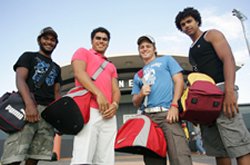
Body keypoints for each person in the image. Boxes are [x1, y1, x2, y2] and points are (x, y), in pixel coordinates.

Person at [175, 7, 250, 165]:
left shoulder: (211, 34)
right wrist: (194, 109)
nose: (187, 25)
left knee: (238, 144)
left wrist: (229, 90)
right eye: (183, 24)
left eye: (189, 21)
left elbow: (228, 59)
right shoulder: (191, 50)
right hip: (205, 98)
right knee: (217, 148)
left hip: (222, 90)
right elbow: (198, 80)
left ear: (197, 21)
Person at [1, 27, 62, 165]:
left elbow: (57, 92)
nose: (49, 42)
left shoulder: (56, 68)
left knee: (35, 156)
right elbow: (20, 80)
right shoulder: (28, 56)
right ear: (39, 40)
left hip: (47, 114)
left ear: (56, 44)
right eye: (46, 38)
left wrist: (58, 119)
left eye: (53, 40)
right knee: (14, 156)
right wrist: (29, 104)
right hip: (28, 108)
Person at [132, 35, 193, 165]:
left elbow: (179, 81)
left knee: (180, 157)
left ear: (155, 49)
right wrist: (141, 94)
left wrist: (174, 105)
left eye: (148, 46)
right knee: (153, 160)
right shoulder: (138, 75)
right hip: (148, 118)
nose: (144, 49)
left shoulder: (166, 60)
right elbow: (135, 102)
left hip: (168, 114)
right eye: (141, 47)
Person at [70, 27, 121, 165]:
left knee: (106, 158)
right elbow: (79, 73)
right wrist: (98, 93)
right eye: (98, 38)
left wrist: (115, 105)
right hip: (88, 110)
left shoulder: (111, 66)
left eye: (105, 39)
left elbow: (116, 90)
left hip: (108, 115)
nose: (101, 41)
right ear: (92, 40)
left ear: (108, 43)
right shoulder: (82, 52)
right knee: (83, 155)